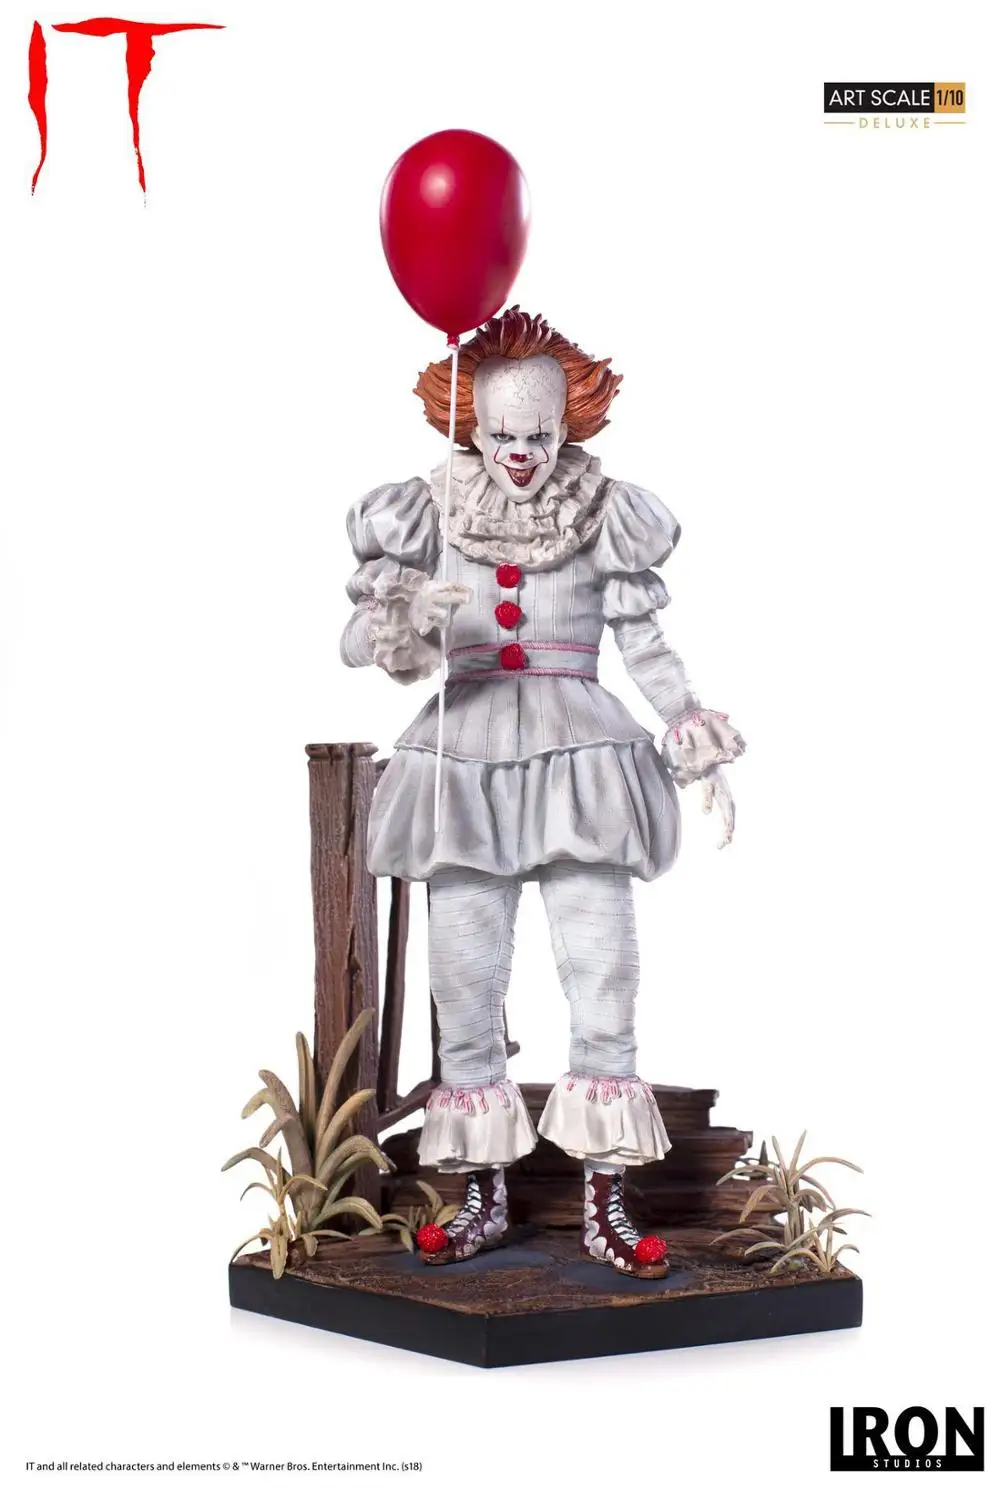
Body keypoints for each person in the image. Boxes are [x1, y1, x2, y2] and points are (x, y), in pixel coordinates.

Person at [340, 308, 744, 1277]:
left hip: (581, 757)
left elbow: (642, 639)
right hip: (462, 760)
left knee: (604, 971)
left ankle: (605, 1199)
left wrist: (687, 721)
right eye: (501, 435)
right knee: (464, 981)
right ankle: (480, 1194)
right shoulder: (425, 509)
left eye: (539, 435)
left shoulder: (604, 511)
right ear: (470, 426)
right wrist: (409, 619)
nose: (520, 454)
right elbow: (359, 646)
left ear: (570, 427)